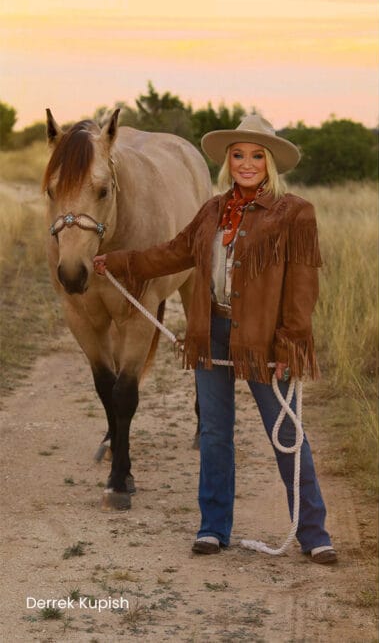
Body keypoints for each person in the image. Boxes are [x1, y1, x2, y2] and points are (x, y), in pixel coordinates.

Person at [94, 114, 337, 564]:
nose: (247, 163)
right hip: (211, 334)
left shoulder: (296, 213)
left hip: (266, 339)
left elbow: (303, 288)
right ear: (229, 160)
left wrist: (291, 342)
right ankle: (213, 527)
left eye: (257, 155)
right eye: (239, 154)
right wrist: (119, 260)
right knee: (214, 435)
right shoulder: (211, 211)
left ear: (271, 163)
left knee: (287, 434)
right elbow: (173, 253)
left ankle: (313, 531)